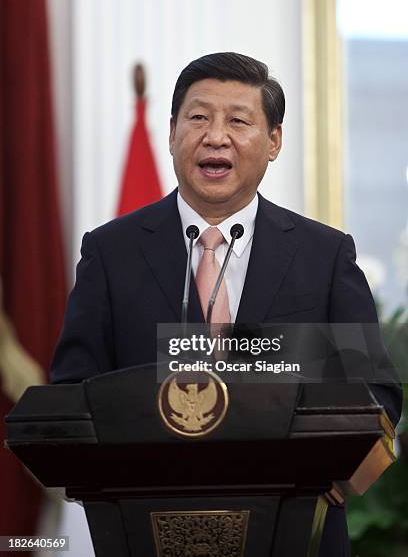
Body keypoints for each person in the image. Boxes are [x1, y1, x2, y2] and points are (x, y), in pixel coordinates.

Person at [50, 52, 402, 557]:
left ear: (274, 140)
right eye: (198, 118)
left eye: (238, 120)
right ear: (172, 132)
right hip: (148, 532)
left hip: (299, 533)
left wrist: (332, 482)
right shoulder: (111, 253)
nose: (216, 136)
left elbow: (378, 397)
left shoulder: (324, 254)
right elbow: (71, 396)